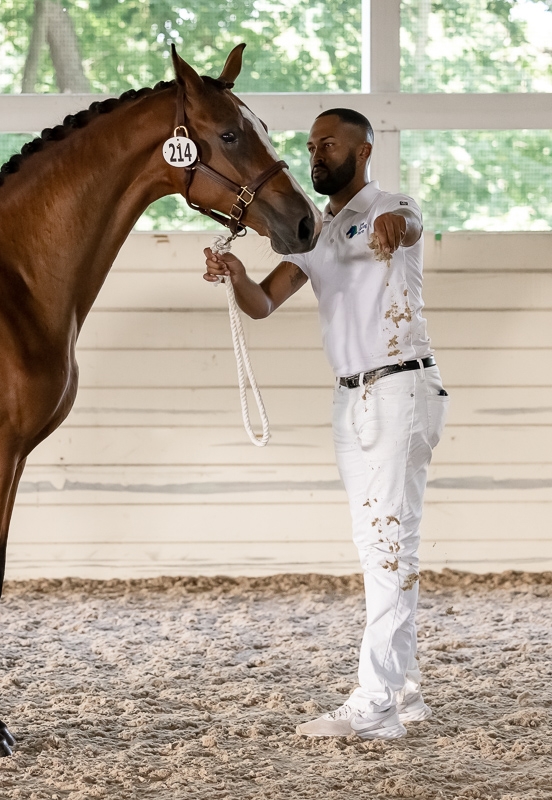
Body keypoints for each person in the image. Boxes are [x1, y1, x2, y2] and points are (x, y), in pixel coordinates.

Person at [203, 108, 450, 740]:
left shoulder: (392, 206)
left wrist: (396, 227)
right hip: (351, 397)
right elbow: (263, 304)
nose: (317, 154)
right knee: (379, 545)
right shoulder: (314, 232)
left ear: (363, 151)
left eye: (330, 144)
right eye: (312, 145)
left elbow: (409, 226)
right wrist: (237, 277)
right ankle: (404, 688)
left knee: (389, 543)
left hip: (399, 386)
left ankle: (376, 702)